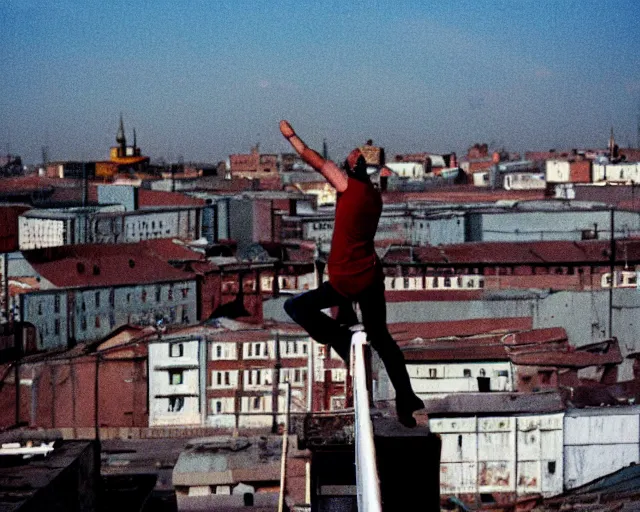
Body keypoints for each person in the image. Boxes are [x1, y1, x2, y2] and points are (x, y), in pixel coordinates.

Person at [279, 120, 424, 427]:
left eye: (352, 155)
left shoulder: (349, 187)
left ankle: (341, 339)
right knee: (382, 339)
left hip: (346, 280)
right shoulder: (373, 197)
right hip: (369, 277)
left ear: (356, 165)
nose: (347, 155)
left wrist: (291, 137)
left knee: (295, 307)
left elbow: (312, 157)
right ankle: (406, 397)